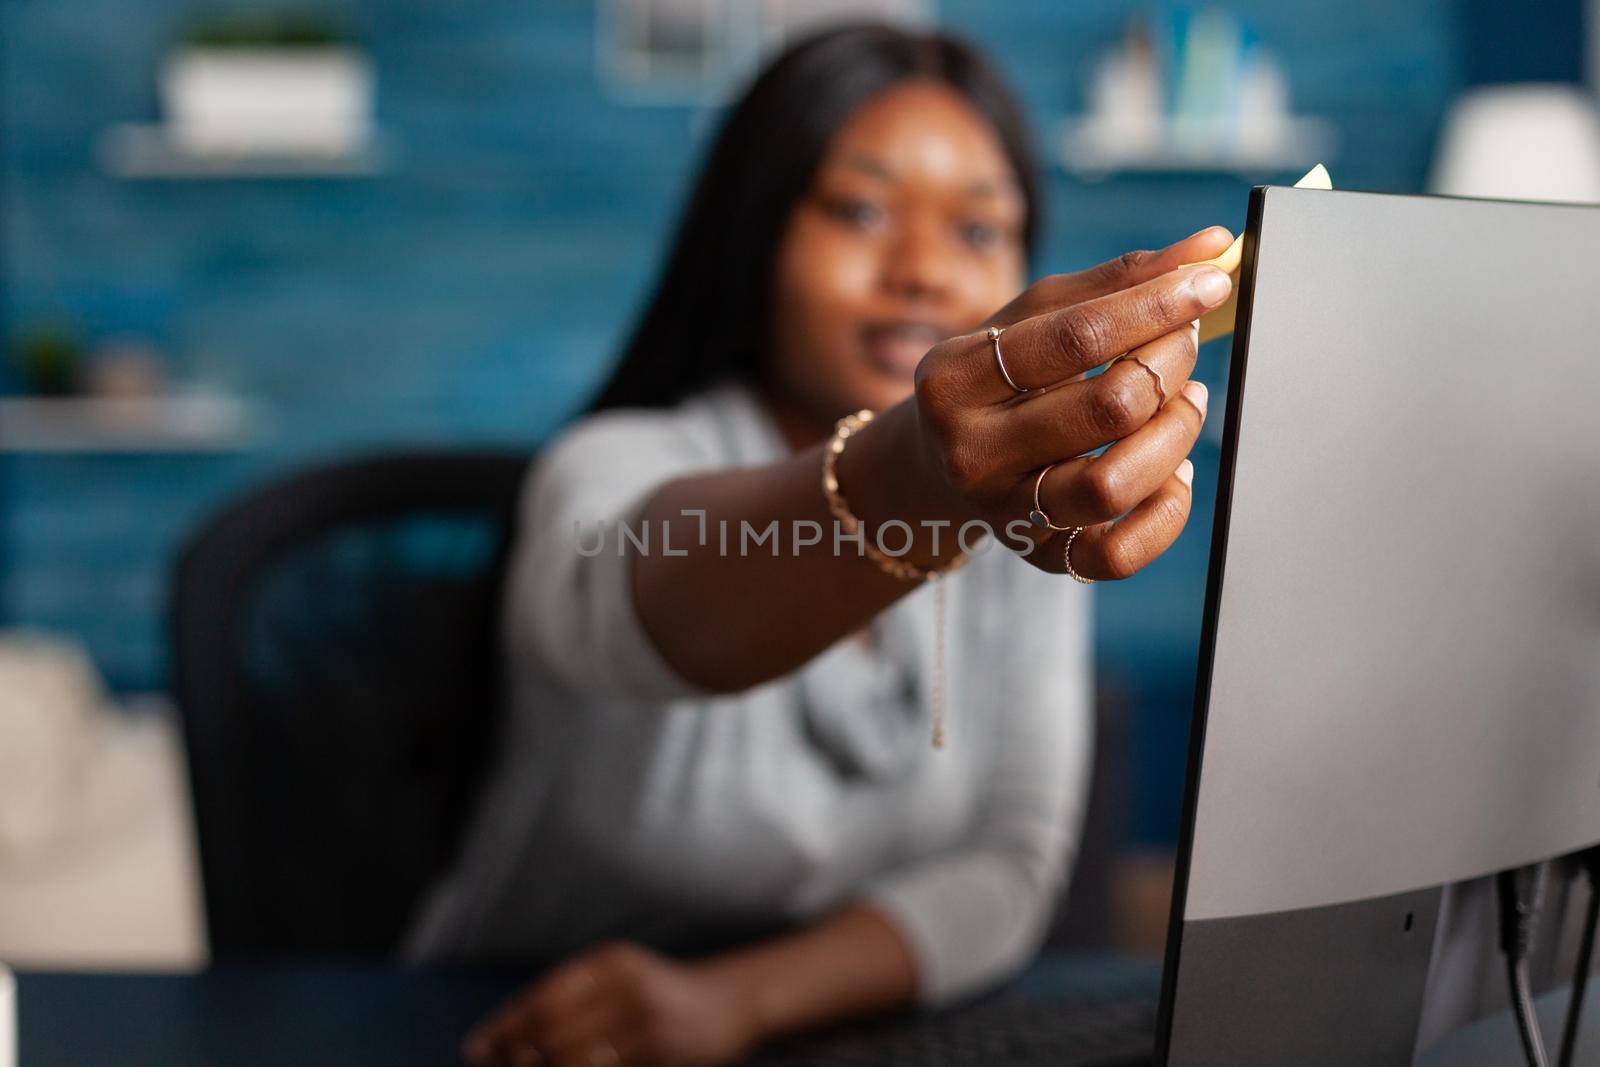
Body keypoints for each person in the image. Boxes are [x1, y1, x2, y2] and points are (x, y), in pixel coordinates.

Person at [410, 23, 1233, 1067]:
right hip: (521, 1030)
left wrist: (736, 1003)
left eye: (977, 232)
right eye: (858, 211)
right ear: (752, 236)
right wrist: (921, 479)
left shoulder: (1018, 510)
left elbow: (1008, 865)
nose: (925, 272)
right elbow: (666, 609)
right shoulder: (607, 466)